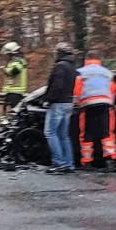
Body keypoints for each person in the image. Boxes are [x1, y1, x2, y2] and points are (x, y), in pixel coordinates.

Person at [74, 51, 116, 172]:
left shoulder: (81, 72)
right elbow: (113, 89)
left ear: (86, 60)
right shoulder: (107, 73)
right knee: (107, 133)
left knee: (86, 134)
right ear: (99, 59)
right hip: (105, 104)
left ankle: (87, 162)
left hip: (88, 105)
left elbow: (77, 91)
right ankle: (110, 161)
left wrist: (78, 103)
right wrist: (111, 102)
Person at [42, 42, 78, 174]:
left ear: (60, 53)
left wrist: (48, 100)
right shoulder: (72, 66)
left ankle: (59, 163)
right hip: (68, 102)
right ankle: (69, 163)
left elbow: (57, 86)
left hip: (58, 103)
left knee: (50, 132)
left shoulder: (60, 66)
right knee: (64, 135)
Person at [0, 42, 28, 112]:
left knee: (15, 112)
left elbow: (14, 71)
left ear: (11, 53)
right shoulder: (13, 61)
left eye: (7, 54)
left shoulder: (18, 62)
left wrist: (4, 69)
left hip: (15, 92)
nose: (6, 56)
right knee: (8, 111)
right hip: (11, 91)